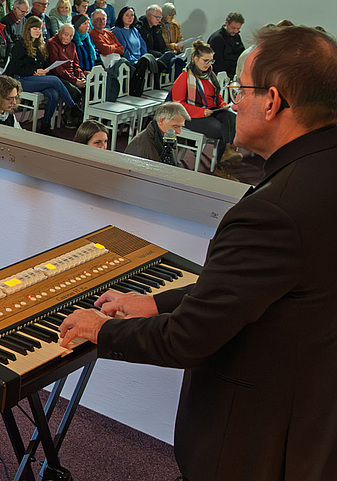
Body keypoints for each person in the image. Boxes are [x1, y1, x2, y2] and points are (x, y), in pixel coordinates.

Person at [58, 25, 337, 481]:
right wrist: (154, 302)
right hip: (313, 415)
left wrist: (102, 331)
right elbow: (250, 290)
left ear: (272, 101)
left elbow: (187, 339)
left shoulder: (273, 211)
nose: (234, 101)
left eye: (240, 89)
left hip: (258, 439)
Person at [172, 41, 242, 167]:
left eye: (211, 61)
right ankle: (223, 160)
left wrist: (222, 104)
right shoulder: (184, 77)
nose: (209, 64)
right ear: (195, 58)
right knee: (219, 129)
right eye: (206, 61)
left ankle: (227, 151)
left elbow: (216, 96)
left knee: (233, 119)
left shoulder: (210, 75)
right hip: (190, 115)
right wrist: (201, 112)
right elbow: (178, 105)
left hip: (210, 111)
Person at [9, 17, 80, 133]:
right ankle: (72, 107)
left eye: (39, 29)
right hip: (22, 79)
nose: (38, 31)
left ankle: (45, 125)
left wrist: (44, 69)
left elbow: (43, 62)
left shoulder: (40, 45)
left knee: (54, 94)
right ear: (28, 29)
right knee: (55, 80)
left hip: (37, 78)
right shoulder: (20, 45)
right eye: (35, 28)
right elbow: (16, 68)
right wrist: (34, 71)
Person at [110, 6, 157, 97]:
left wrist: (143, 56)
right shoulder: (117, 31)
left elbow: (142, 46)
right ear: (121, 16)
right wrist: (136, 60)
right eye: (127, 15)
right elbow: (123, 49)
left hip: (140, 59)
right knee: (145, 63)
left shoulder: (134, 30)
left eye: (132, 15)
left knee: (150, 59)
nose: (130, 17)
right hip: (130, 61)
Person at [125, 101, 189, 166]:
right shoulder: (140, 145)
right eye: (175, 126)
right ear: (161, 121)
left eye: (180, 127)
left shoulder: (169, 135)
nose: (179, 132)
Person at [135, 4, 183, 80]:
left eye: (160, 17)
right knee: (168, 57)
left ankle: (177, 81)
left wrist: (168, 52)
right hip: (147, 55)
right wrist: (163, 54)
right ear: (149, 16)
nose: (159, 20)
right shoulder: (140, 27)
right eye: (157, 17)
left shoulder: (156, 27)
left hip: (156, 53)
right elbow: (146, 48)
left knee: (177, 57)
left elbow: (161, 45)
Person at [89, 10, 127, 101]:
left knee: (125, 64)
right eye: (98, 19)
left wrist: (111, 48)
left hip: (115, 62)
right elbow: (104, 50)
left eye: (103, 19)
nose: (101, 21)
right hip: (105, 65)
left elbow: (121, 49)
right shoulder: (93, 34)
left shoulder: (109, 33)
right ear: (92, 21)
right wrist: (114, 47)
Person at [207, 12, 246, 79]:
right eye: (233, 28)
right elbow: (217, 64)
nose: (235, 31)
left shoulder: (236, 36)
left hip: (234, 72)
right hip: (221, 76)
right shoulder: (217, 39)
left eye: (238, 29)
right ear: (226, 24)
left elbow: (242, 54)